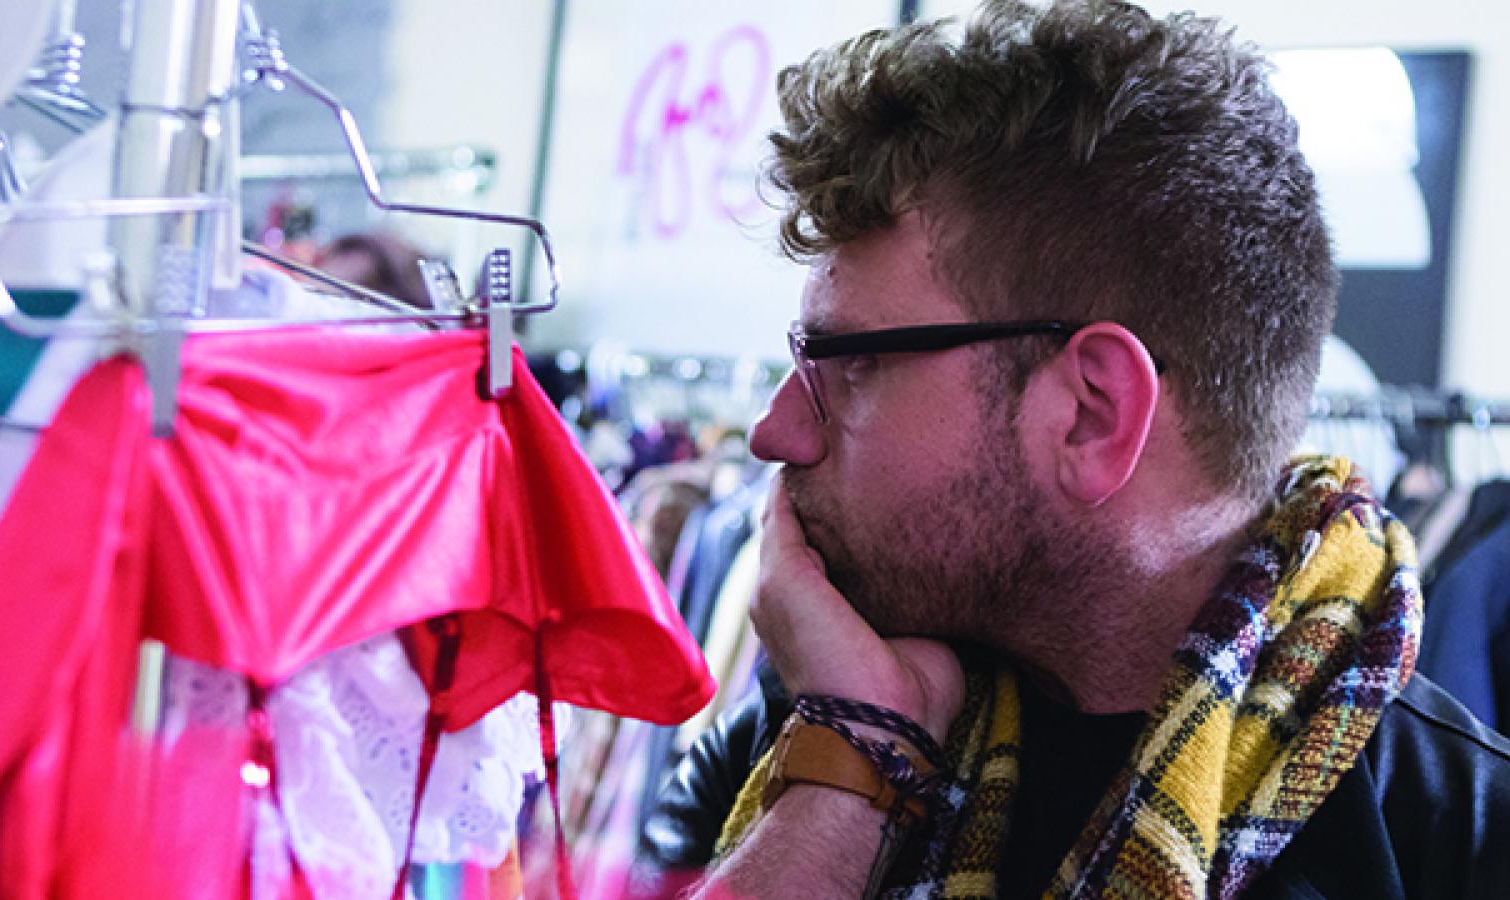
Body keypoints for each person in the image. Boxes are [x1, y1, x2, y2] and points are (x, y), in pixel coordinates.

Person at [634, 1, 1510, 897]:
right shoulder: (816, 723)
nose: (774, 431)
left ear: (1093, 412)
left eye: (846, 366)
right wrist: (852, 774)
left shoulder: (1457, 843)